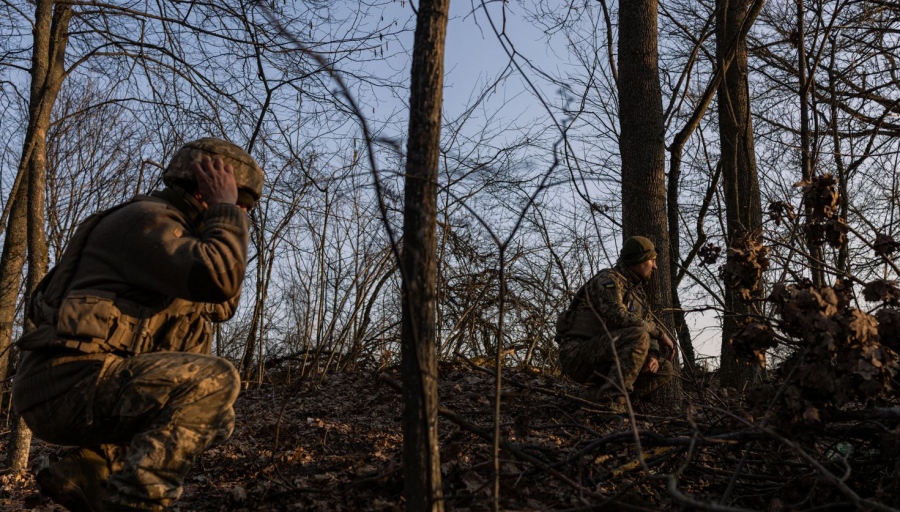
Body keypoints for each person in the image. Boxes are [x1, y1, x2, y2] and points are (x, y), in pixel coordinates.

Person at [12, 138, 263, 512]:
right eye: (237, 203)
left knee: (218, 417)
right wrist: (224, 210)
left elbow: (222, 303)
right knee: (214, 381)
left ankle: (90, 470)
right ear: (201, 191)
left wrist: (222, 217)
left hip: (87, 380)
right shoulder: (149, 220)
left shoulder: (180, 238)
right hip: (65, 381)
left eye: (245, 209)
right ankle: (135, 503)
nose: (241, 214)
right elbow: (219, 278)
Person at [555, 236, 675, 412]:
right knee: (638, 335)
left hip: (606, 354)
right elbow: (617, 316)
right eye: (652, 260)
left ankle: (599, 397)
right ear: (639, 260)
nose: (655, 266)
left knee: (665, 369)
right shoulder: (608, 280)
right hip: (578, 355)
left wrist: (654, 354)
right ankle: (611, 405)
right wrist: (660, 333)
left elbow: (646, 322)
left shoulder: (637, 293)